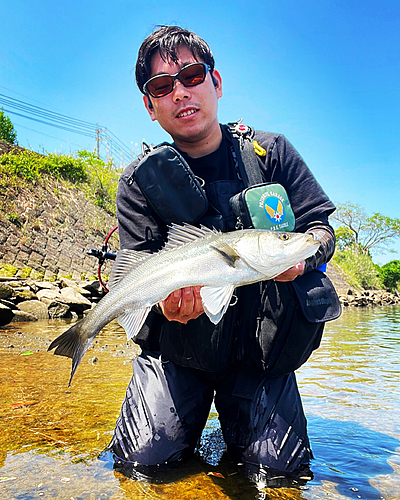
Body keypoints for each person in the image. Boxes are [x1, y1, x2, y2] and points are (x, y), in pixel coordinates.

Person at [107, 25, 337, 485]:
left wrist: (303, 259)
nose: (180, 92)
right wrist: (165, 308)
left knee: (280, 477)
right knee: (142, 467)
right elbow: (137, 268)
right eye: (161, 86)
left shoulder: (272, 152)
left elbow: (320, 230)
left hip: (258, 358)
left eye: (192, 75)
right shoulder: (137, 181)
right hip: (178, 355)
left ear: (216, 82)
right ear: (150, 107)